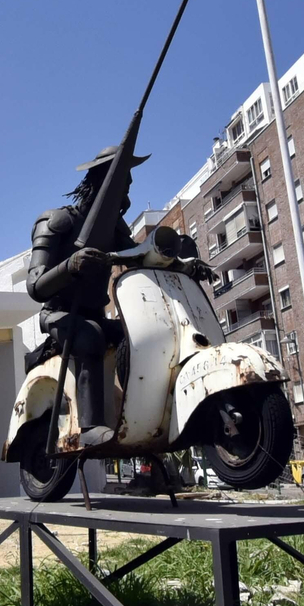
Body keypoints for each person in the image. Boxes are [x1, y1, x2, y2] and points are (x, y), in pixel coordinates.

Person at [25, 146, 211, 449]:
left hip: (95, 314)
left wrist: (185, 266)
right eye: (124, 178)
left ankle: (140, 411)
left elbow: (139, 257)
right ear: (105, 182)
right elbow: (35, 287)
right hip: (59, 314)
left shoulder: (113, 228)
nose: (130, 185)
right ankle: (89, 427)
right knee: (90, 338)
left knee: (146, 335)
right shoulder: (58, 221)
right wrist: (70, 266)